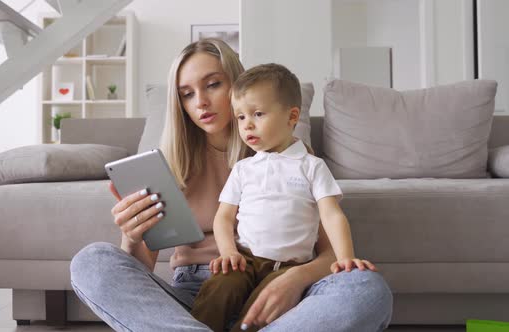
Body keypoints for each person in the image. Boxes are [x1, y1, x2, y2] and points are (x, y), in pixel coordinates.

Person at [70, 38, 393, 332]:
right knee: (93, 261)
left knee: (365, 288)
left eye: (212, 85)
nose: (201, 102)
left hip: (279, 289)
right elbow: (140, 272)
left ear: (238, 87)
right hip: (196, 300)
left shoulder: (290, 155)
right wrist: (132, 236)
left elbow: (329, 252)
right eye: (186, 94)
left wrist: (294, 279)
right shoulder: (168, 163)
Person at [190, 63, 378, 332]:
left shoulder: (311, 166)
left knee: (259, 312)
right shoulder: (244, 168)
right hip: (244, 259)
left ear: (292, 117)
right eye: (240, 117)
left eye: (257, 114)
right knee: (217, 290)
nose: (247, 125)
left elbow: (332, 214)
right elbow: (223, 218)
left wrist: (345, 257)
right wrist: (228, 252)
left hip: (287, 269)